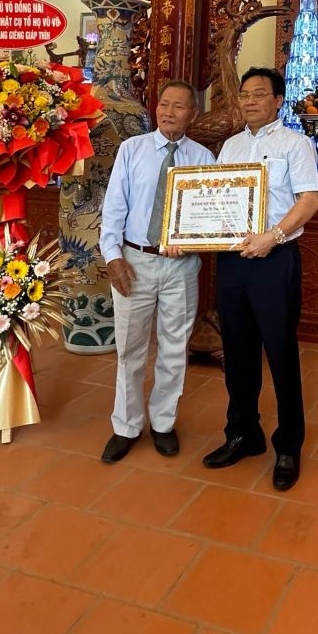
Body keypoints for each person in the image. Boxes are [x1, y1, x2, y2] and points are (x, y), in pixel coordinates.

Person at [202, 67, 318, 491]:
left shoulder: (295, 144)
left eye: (259, 94)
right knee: (237, 351)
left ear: (277, 101)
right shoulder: (230, 146)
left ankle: (288, 445)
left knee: (281, 353)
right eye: (245, 95)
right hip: (233, 261)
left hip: (275, 259)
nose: (250, 101)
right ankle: (242, 434)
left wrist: (273, 237)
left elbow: (310, 200)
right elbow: (214, 196)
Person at [99, 79, 215, 463]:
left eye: (178, 106)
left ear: (192, 114)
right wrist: (113, 257)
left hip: (181, 267)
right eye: (164, 104)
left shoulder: (204, 159)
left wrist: (193, 241)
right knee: (130, 349)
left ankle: (163, 423)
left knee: (174, 349)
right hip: (134, 262)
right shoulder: (132, 150)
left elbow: (211, 216)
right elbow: (114, 207)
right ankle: (126, 426)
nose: (168, 112)